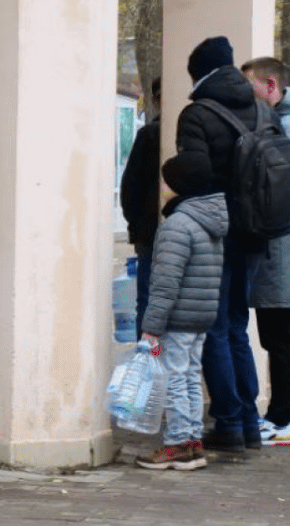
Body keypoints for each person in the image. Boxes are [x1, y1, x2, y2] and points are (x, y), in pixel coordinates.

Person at [176, 36, 269, 453]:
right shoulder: (261, 109)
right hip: (255, 230)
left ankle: (228, 421)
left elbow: (194, 172)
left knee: (213, 327)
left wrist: (168, 169)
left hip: (215, 228)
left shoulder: (197, 113)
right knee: (236, 324)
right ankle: (250, 420)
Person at [240, 57, 290, 446]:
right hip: (284, 241)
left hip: (286, 243)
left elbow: (281, 186)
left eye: (249, 86)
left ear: (270, 85)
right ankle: (277, 417)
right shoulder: (287, 122)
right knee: (276, 335)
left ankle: (282, 420)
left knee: (280, 337)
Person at [135, 153, 226, 470]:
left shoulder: (177, 225)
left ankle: (176, 445)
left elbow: (165, 283)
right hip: (200, 316)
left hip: (177, 317)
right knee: (188, 377)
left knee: (174, 379)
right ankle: (192, 441)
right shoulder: (208, 222)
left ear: (179, 184)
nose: (162, 185)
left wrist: (152, 326)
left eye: (166, 179)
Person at [120, 76, 163, 335]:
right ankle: (162, 362)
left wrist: (136, 225)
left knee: (148, 302)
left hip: (150, 232)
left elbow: (130, 187)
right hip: (156, 231)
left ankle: (151, 362)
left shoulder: (150, 135)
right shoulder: (154, 135)